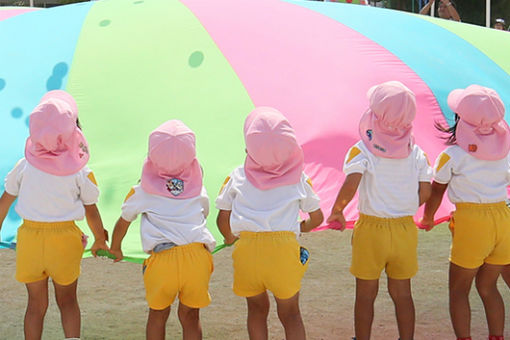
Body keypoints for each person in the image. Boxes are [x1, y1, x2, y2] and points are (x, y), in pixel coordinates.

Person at [0, 90, 109, 340]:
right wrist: (100, 239)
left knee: (35, 305)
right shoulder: (81, 171)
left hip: (30, 239)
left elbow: (4, 203)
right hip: (64, 240)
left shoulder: (23, 166)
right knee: (68, 302)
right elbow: (91, 210)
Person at [327, 81, 432, 340]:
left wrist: (337, 211)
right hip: (404, 228)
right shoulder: (416, 153)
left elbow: (351, 184)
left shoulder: (362, 150)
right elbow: (426, 192)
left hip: (372, 230)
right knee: (402, 293)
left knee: (365, 294)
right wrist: (405, 205)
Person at [215, 107, 323, 340]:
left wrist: (229, 237)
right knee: (291, 314)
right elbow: (317, 217)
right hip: (283, 251)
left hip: (248, 250)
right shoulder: (299, 178)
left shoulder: (237, 176)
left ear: (248, 148)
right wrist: (301, 228)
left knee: (256, 310)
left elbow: (222, 218)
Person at [109, 120, 216, 340]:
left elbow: (124, 221)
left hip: (163, 260)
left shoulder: (142, 191)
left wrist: (116, 247)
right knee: (191, 316)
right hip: (196, 257)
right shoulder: (198, 188)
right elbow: (204, 214)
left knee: (157, 315)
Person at [421, 85, 510, 340]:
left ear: (460, 120)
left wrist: (428, 218)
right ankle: (497, 337)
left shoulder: (453, 155)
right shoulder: (505, 153)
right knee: (488, 286)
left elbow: (437, 190)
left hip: (472, 223)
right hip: (502, 218)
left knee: (459, 291)